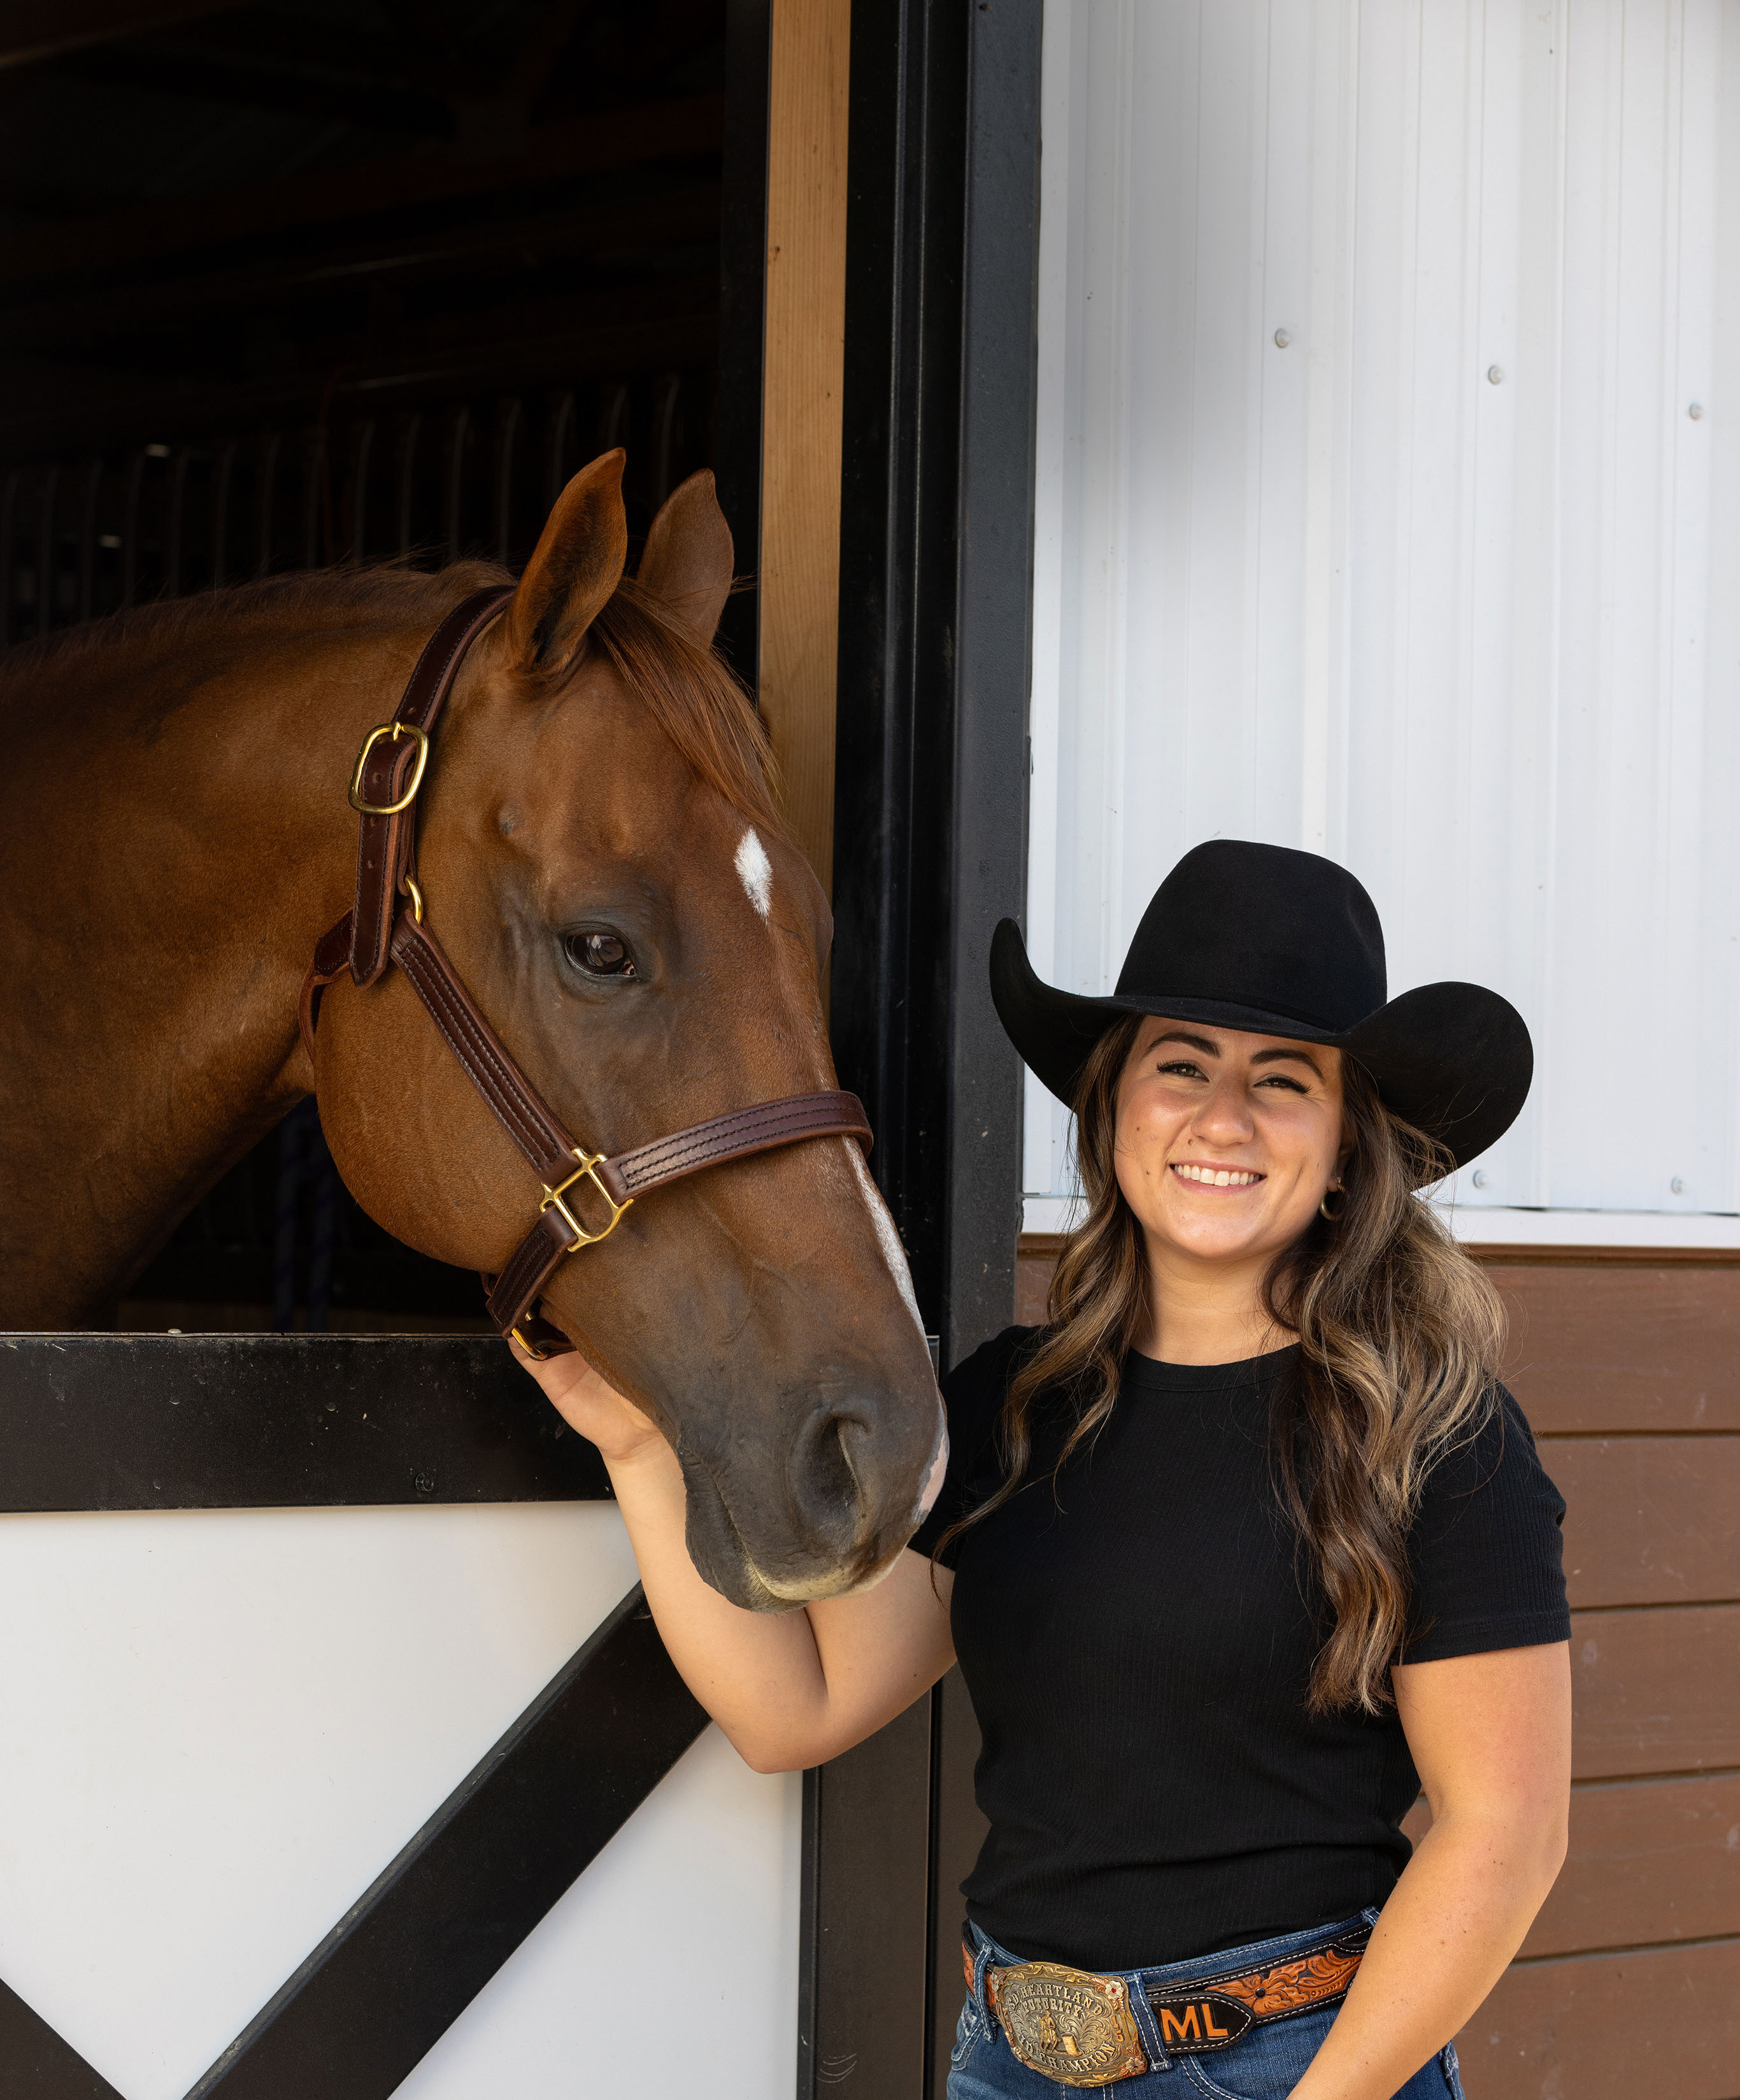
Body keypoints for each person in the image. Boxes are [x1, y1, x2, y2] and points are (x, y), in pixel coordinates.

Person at [517, 839, 1572, 2100]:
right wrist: (636, 1445)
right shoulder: (1013, 1402)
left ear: (1347, 1143)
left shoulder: (1435, 1427)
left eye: (1281, 1081)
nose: (1220, 1117)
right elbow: (793, 1709)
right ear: (1116, 1107)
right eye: (1180, 1064)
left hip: (1295, 2063)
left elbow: (1501, 1834)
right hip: (1006, 2060)